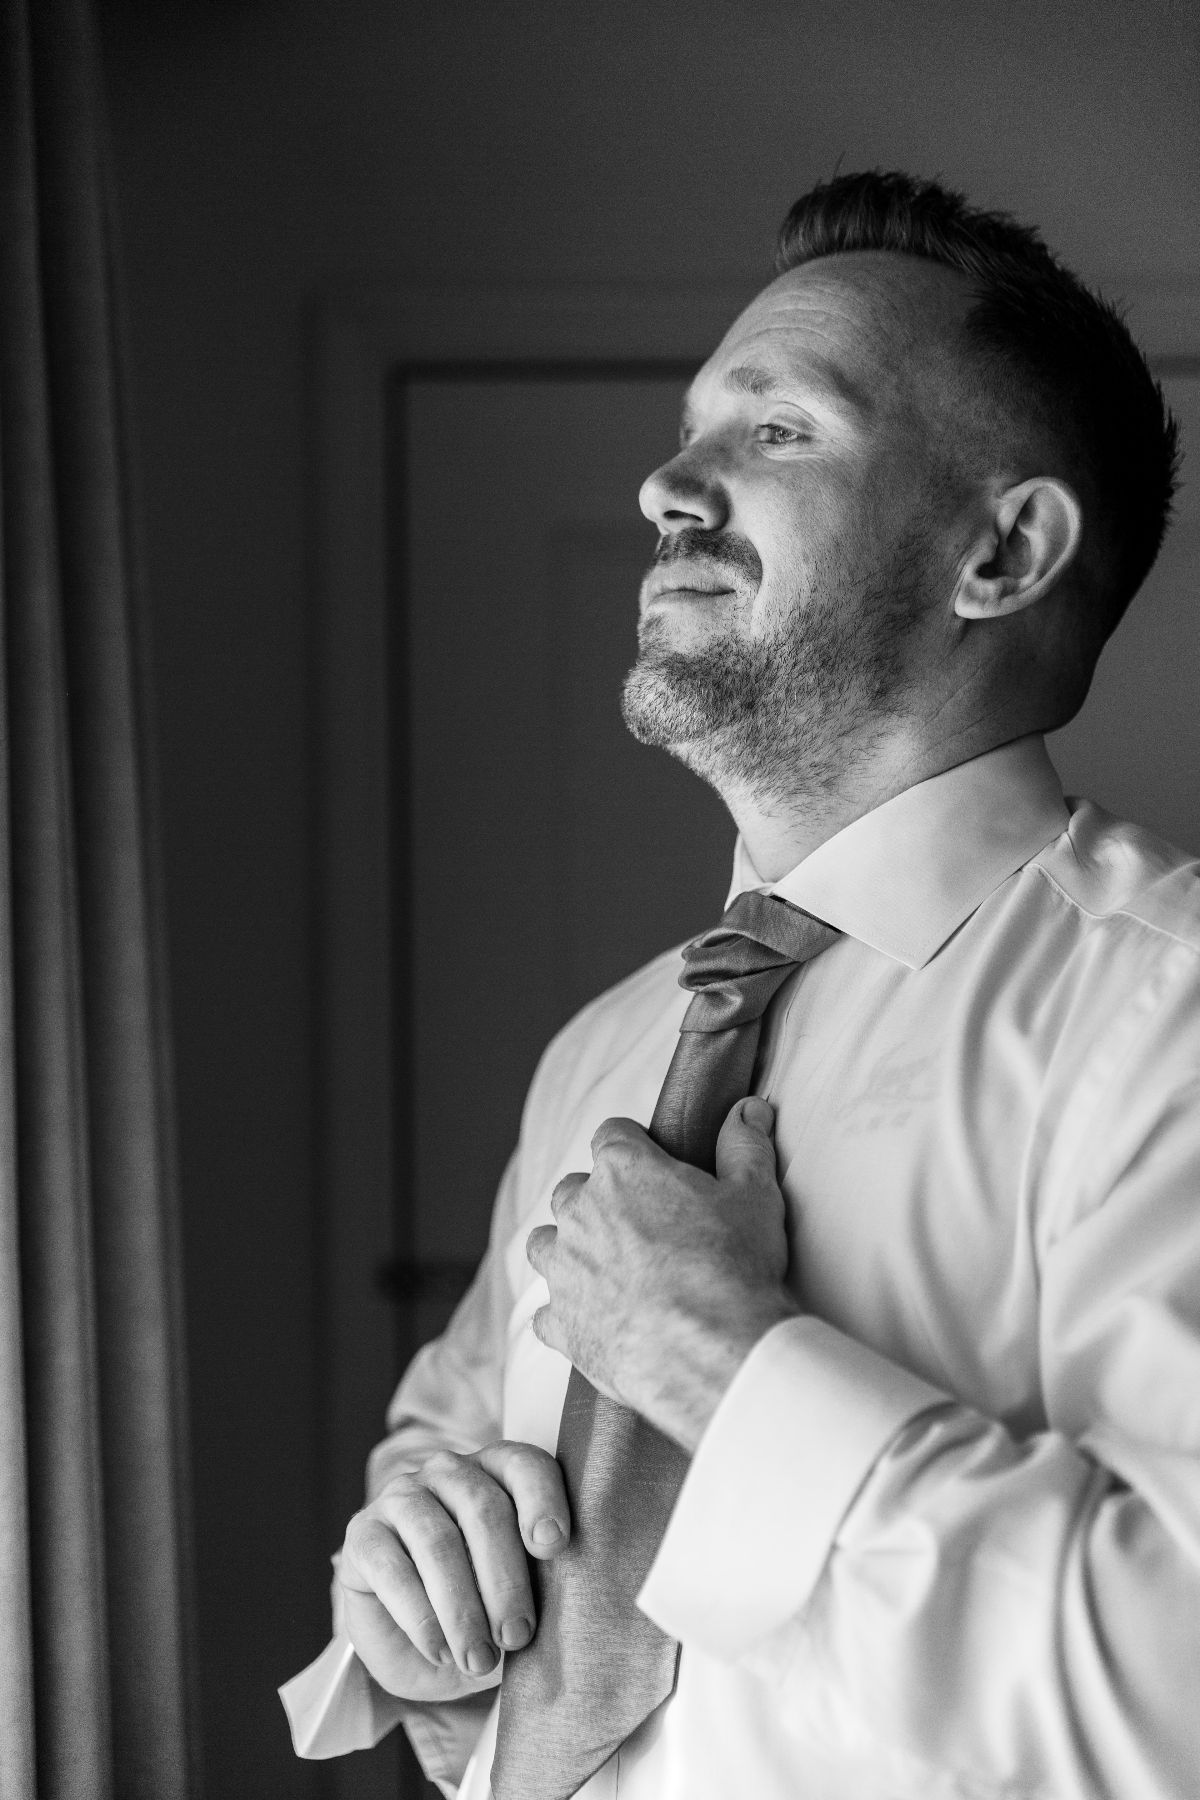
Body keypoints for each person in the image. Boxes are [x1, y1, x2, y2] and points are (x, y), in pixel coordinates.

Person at [280, 170, 1197, 1798]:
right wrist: (416, 1634)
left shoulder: (1166, 1013)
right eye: (694, 426)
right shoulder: (609, 1053)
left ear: (1001, 549)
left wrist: (726, 1358)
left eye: (776, 431)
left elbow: (1175, 1687)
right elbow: (450, 1472)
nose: (664, 486)